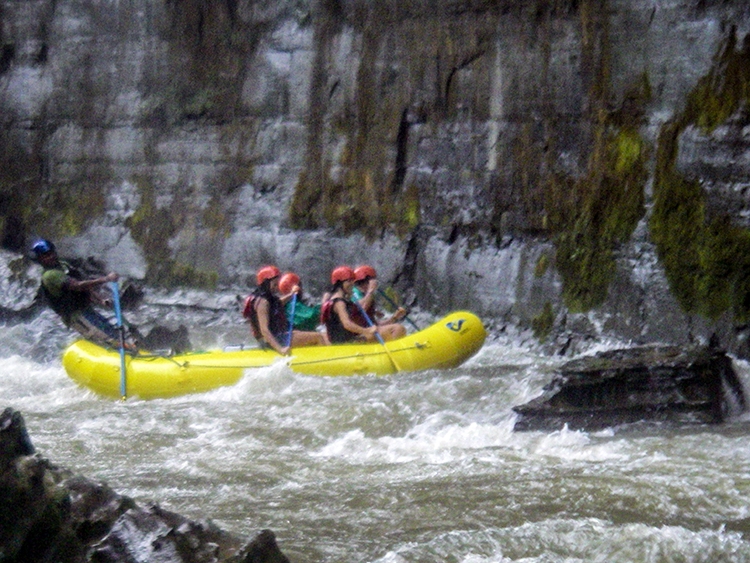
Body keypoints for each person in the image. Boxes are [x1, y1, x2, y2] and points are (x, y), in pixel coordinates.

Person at [31, 239, 135, 350]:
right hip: (76, 316)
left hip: (86, 308)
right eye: (45, 256)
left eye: (51, 253)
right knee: (106, 339)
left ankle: (130, 349)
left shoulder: (62, 265)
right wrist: (106, 279)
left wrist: (100, 300)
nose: (50, 257)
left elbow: (84, 287)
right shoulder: (50, 275)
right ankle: (122, 353)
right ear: (40, 259)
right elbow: (77, 285)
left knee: (112, 331)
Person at [242, 265, 325, 355]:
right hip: (275, 340)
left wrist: (292, 294)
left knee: (300, 333)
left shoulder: (266, 298)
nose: (277, 287)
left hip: (279, 336)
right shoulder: (262, 302)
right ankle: (322, 363)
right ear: (266, 283)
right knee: (318, 336)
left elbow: (277, 305)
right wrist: (280, 349)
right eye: (274, 284)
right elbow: (264, 330)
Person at [352, 265, 407, 340]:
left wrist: (395, 317)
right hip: (358, 335)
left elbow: (375, 325)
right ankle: (394, 350)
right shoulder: (354, 294)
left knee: (398, 327)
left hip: (367, 331)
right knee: (397, 328)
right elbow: (362, 310)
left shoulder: (366, 296)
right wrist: (370, 290)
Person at [278, 272, 330, 344]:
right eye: (300, 285)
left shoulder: (294, 303)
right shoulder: (292, 306)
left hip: (301, 334)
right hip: (291, 338)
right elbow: (312, 316)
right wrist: (325, 305)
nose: (302, 289)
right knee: (320, 336)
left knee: (326, 335)